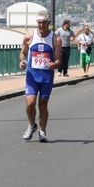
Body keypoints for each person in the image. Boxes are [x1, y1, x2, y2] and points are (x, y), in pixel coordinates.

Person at [19, 10, 62, 142]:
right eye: (39, 23)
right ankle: (32, 125)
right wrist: (22, 61)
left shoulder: (56, 39)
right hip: (32, 76)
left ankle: (42, 131)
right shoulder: (29, 37)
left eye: (44, 23)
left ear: (49, 23)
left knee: (43, 105)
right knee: (30, 103)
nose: (41, 25)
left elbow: (59, 60)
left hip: (46, 78)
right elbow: (22, 53)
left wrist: (55, 64)